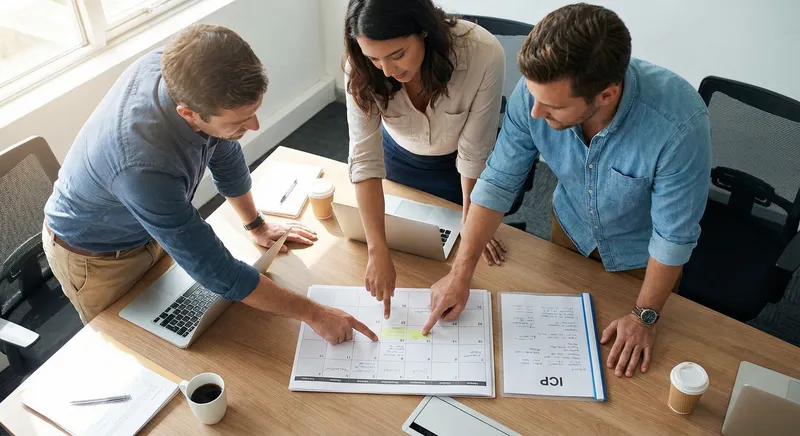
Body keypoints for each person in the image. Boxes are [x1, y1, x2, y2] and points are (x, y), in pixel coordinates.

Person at [423, 3, 712, 378]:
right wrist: (461, 274)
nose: (534, 113)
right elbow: (496, 181)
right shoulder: (536, 96)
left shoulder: (679, 125)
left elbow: (672, 238)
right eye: (533, 96)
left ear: (606, 95)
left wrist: (644, 317)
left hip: (641, 260)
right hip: (569, 230)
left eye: (553, 106)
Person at [43, 24, 377, 345]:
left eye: (254, 111)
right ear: (188, 113)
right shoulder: (142, 168)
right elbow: (218, 272)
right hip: (97, 260)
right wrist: (315, 314)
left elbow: (224, 148)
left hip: (150, 229)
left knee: (190, 326)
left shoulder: (181, 72)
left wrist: (256, 224)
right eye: (240, 121)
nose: (255, 125)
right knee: (138, 350)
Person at [344, 0, 508, 318]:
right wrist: (377, 251)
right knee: (413, 256)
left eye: (397, 54)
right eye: (374, 58)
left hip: (461, 170)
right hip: (400, 159)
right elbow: (364, 159)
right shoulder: (360, 68)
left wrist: (473, 224)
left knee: (463, 251)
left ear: (424, 31)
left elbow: (474, 154)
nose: (388, 71)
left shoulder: (483, 52)